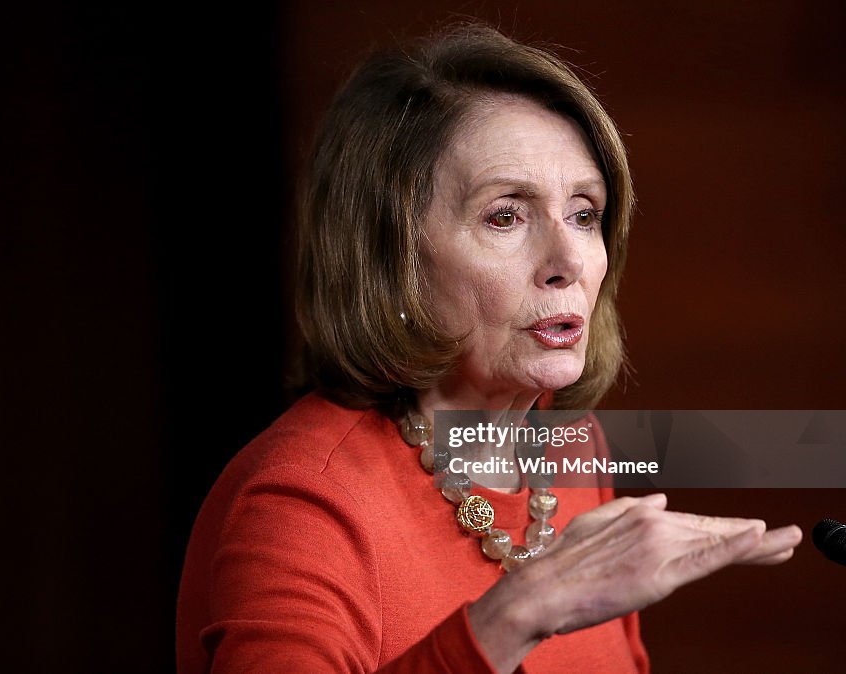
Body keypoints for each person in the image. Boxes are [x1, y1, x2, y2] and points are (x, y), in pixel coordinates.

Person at [176, 22, 802, 673]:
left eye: (585, 214)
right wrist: (516, 614)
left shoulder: (569, 448)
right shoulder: (303, 498)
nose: (567, 261)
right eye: (506, 215)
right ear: (394, 260)